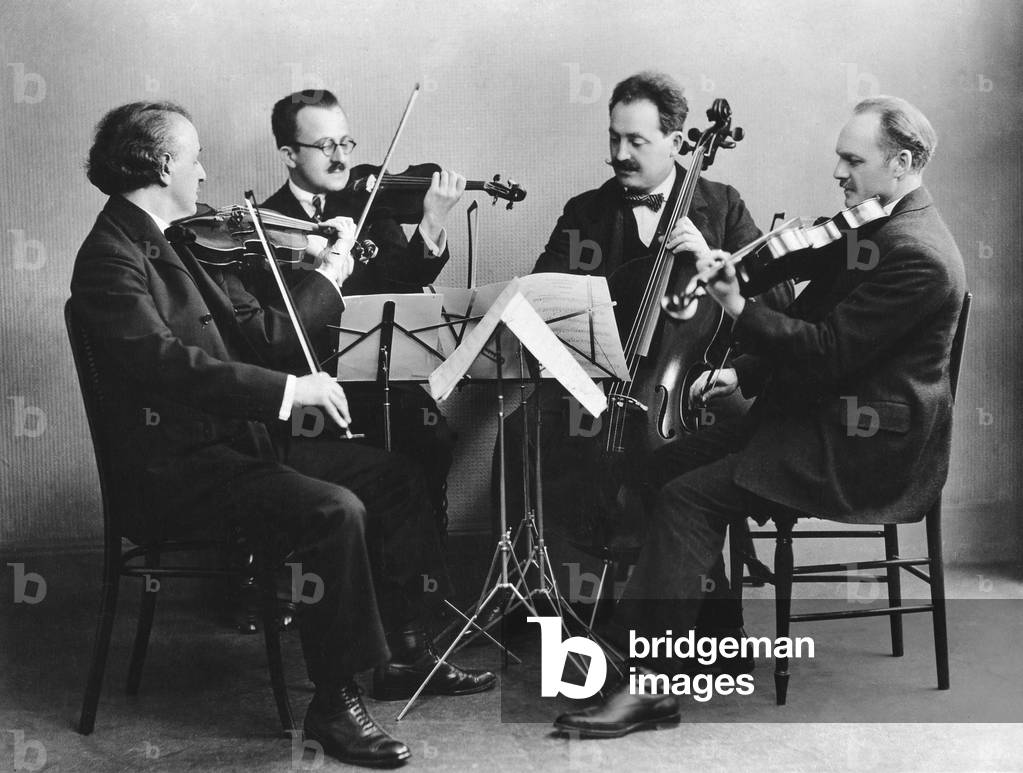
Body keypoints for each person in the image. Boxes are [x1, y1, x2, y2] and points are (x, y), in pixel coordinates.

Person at [70, 101, 493, 769]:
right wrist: (292, 393)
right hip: (179, 471)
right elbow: (166, 365)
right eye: (195, 159)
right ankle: (335, 702)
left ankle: (404, 655)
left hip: (235, 446)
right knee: (334, 509)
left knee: (393, 476)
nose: (205, 172)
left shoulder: (186, 239)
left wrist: (323, 270)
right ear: (162, 166)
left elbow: (263, 334)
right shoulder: (109, 256)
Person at [553, 95, 966, 737]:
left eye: (853, 160)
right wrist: (740, 364)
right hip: (809, 415)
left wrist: (738, 307)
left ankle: (648, 686)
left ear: (904, 162)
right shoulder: (874, 226)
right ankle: (688, 639)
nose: (838, 172)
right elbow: (809, 312)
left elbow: (827, 350)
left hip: (859, 446)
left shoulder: (917, 253)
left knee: (689, 497)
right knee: (660, 466)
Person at [496, 71, 791, 630]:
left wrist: (711, 260)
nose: (619, 154)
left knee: (679, 463)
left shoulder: (721, 205)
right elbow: (541, 295)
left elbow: (778, 303)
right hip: (598, 386)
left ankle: (705, 618)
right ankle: (536, 593)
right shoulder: (586, 211)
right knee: (517, 434)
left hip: (690, 389)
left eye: (636, 140)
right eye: (614, 138)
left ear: (677, 142)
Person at [260, 89, 462, 536]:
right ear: (289, 155)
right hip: (317, 388)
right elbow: (273, 330)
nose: (341, 158)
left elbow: (404, 281)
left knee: (430, 437)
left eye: (345, 143)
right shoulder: (266, 223)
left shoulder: (368, 206)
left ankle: (426, 559)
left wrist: (431, 221)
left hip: (380, 378)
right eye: (325, 146)